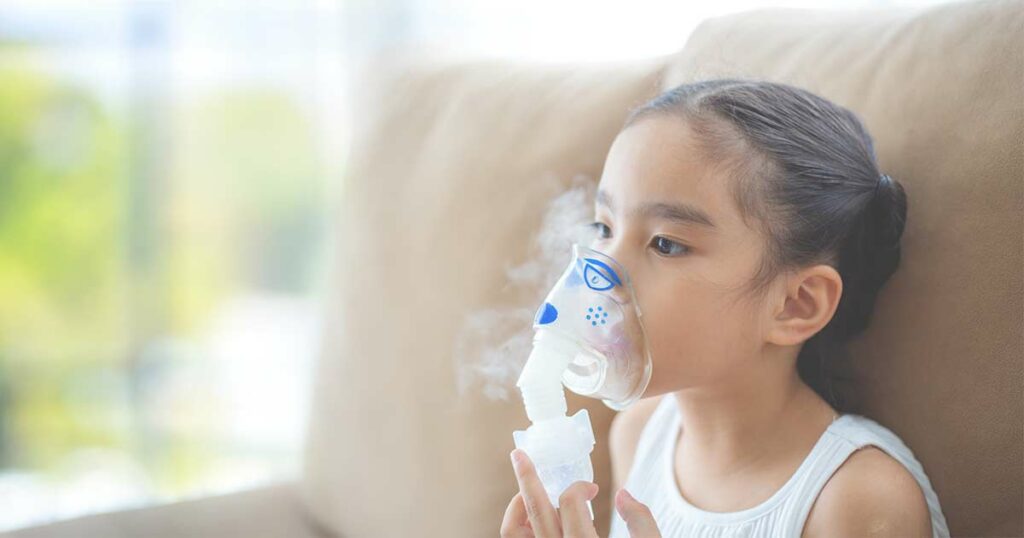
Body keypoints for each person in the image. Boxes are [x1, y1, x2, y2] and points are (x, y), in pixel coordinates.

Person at [500, 79, 949, 537]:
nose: (602, 273)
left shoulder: (856, 501)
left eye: (666, 244)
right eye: (604, 226)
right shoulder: (639, 434)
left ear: (795, 304)